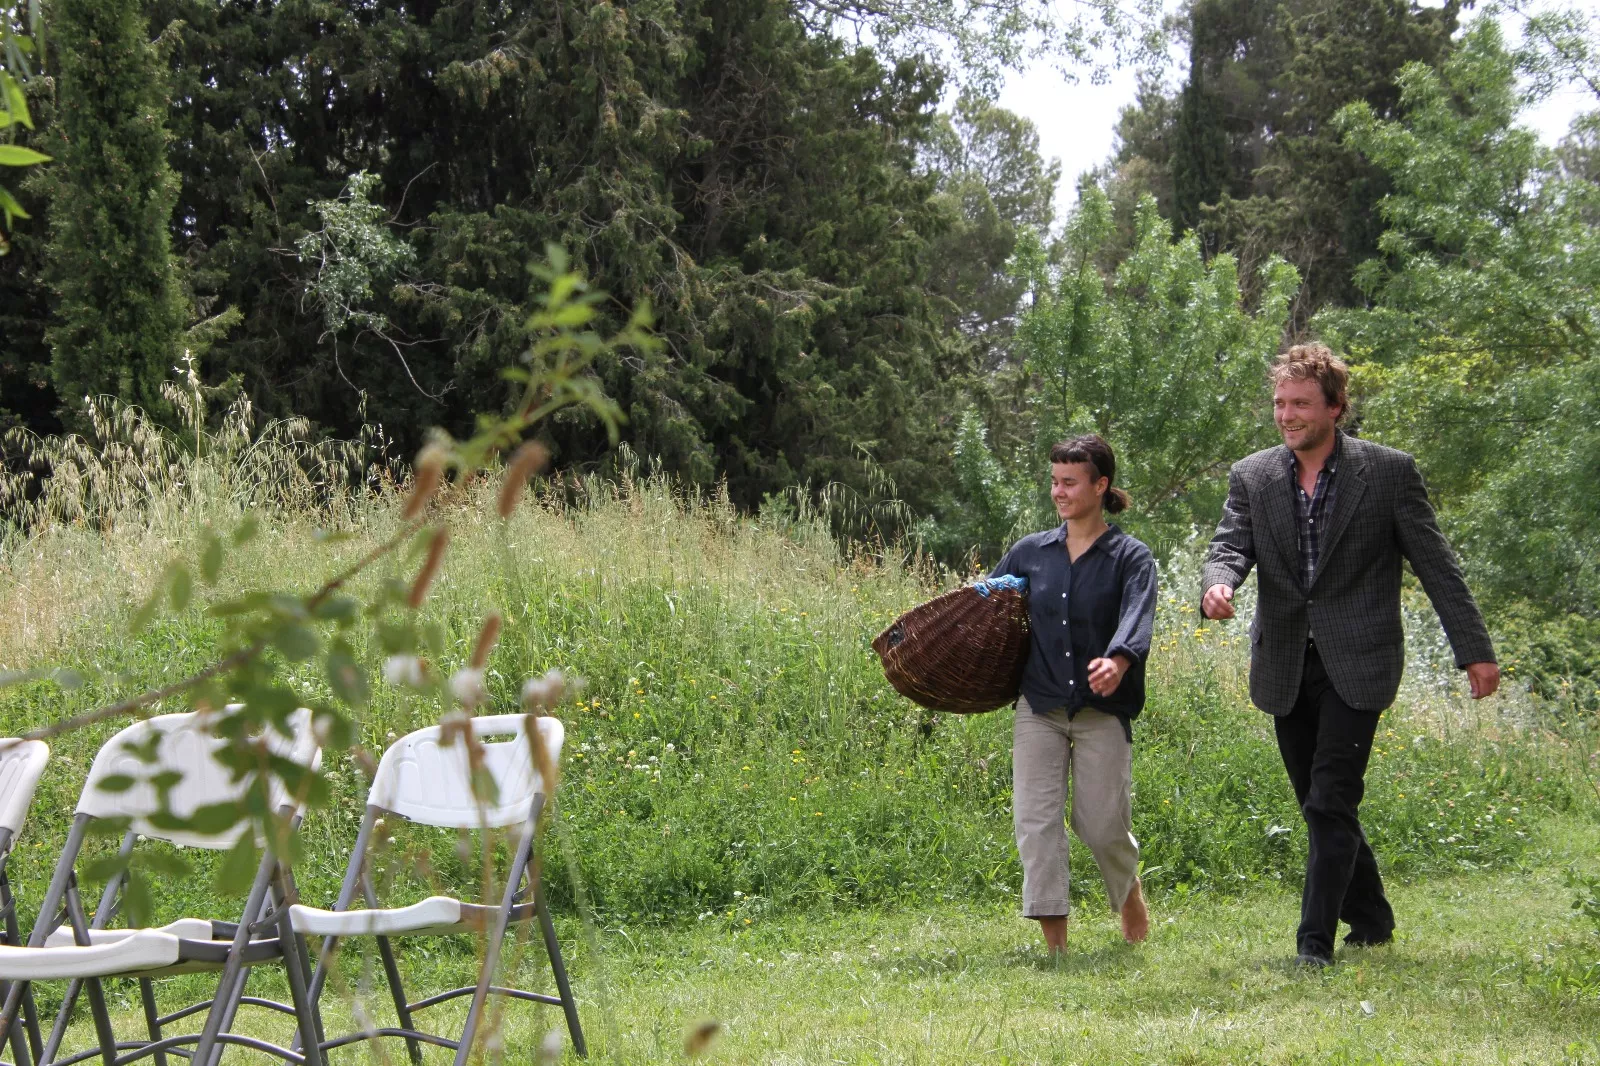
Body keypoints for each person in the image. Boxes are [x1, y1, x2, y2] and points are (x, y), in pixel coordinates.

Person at [1201, 342, 1499, 968]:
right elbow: (1230, 543)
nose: (1287, 415)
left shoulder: (1388, 472)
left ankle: (1314, 944)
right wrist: (1218, 583)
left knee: (1330, 798)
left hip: (1360, 660)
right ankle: (1371, 915)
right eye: (1280, 404)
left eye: (1301, 404)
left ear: (1336, 406)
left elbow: (1437, 566)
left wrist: (1473, 651)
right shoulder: (1252, 475)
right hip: (1283, 660)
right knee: (1317, 797)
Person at [989, 434, 1157, 954]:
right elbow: (989, 609)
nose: (1058, 492)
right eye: (1054, 481)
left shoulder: (1131, 556)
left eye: (1070, 482)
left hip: (1102, 708)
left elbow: (1138, 613)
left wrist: (1119, 658)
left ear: (1100, 485)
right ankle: (1056, 946)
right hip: (1037, 706)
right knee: (1035, 823)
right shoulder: (1030, 552)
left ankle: (1128, 891)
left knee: (1102, 824)